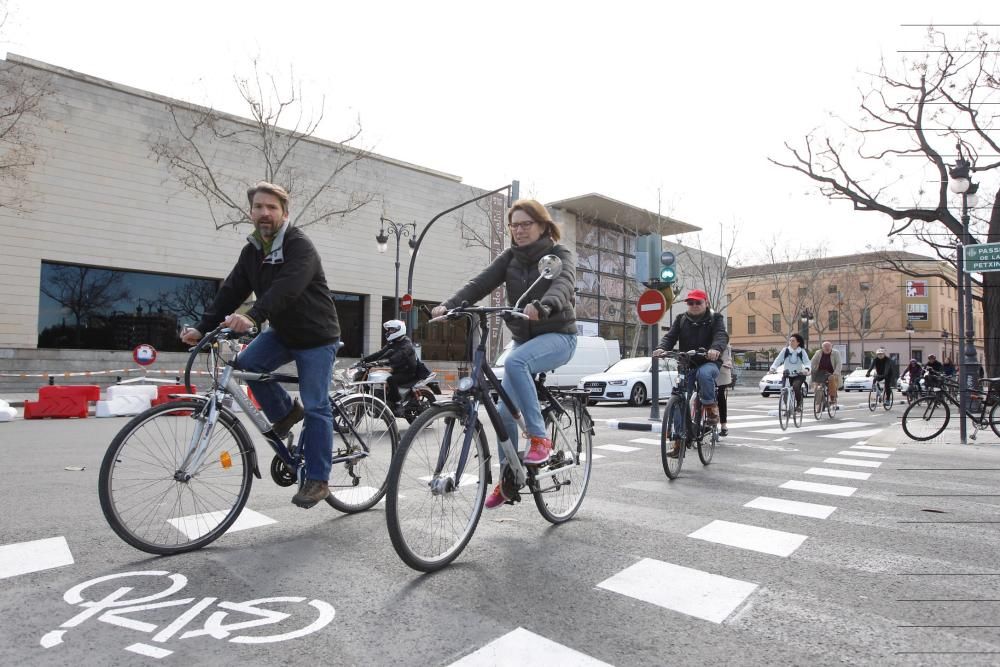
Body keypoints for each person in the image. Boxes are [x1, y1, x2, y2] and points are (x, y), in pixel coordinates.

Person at [181, 182, 340, 509]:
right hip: (283, 333)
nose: (264, 213)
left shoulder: (299, 246)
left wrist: (253, 317)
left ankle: (319, 479)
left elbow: (288, 288)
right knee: (247, 366)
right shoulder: (252, 250)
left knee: (316, 405)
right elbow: (231, 290)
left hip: (316, 336)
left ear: (284, 212)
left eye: (272, 207)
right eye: (259, 207)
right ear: (251, 212)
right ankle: (285, 413)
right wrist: (201, 326)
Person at [431, 199, 576, 510]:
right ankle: (509, 479)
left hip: (559, 336)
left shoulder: (558, 256)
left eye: (526, 224)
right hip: (524, 339)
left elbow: (562, 286)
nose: (519, 230)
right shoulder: (510, 257)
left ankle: (540, 439)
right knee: (502, 411)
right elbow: (480, 283)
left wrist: (544, 306)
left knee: (514, 361)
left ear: (542, 226)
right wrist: (450, 304)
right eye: (515, 225)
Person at [652, 289, 729, 457]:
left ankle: (710, 408)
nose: (694, 305)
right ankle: (679, 441)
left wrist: (715, 349)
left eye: (698, 302)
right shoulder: (681, 319)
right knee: (678, 398)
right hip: (686, 362)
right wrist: (661, 348)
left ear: (706, 303)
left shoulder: (715, 318)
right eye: (690, 303)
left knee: (704, 374)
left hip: (709, 361)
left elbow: (721, 335)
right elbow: (670, 337)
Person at [361, 319, 431, 414]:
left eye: (391, 330)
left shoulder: (407, 344)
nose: (389, 332)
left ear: (399, 329)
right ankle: (385, 400)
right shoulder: (393, 342)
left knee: (391, 380)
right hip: (398, 370)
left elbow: (399, 356)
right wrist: (365, 360)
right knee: (381, 377)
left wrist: (384, 361)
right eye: (389, 330)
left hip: (409, 373)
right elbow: (380, 353)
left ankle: (398, 403)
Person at [770, 333, 810, 407]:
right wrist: (773, 368)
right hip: (787, 374)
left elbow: (807, 362)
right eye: (790, 341)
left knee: (796, 386)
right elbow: (778, 360)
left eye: (793, 341)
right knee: (784, 390)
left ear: (798, 342)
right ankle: (787, 407)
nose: (791, 342)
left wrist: (806, 369)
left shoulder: (802, 351)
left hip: (799, 375)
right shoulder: (785, 351)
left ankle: (799, 404)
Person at [809, 340, 842, 410]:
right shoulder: (818, 353)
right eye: (825, 346)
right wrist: (811, 370)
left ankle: (832, 398)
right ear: (822, 348)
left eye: (829, 346)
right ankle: (819, 404)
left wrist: (836, 373)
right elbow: (812, 362)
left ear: (831, 347)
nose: (827, 348)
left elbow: (839, 364)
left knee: (831, 379)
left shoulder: (836, 353)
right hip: (820, 373)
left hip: (831, 372)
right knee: (817, 388)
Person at [715, 345, 734, 436]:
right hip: (707, 368)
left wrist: (727, 362)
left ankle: (723, 425)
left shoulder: (724, 342)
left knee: (720, 395)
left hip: (721, 370)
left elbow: (727, 356)